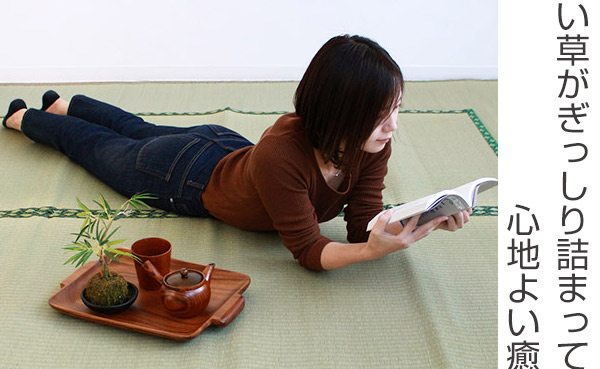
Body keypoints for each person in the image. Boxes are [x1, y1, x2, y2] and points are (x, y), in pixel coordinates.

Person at [2, 35, 469, 271]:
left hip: (229, 151)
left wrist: (422, 221)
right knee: (104, 148)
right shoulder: (282, 156)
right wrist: (368, 252)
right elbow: (308, 250)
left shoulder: (371, 144)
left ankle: (64, 104)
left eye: (396, 110)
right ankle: (23, 117)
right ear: (339, 112)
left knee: (138, 129)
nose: (393, 126)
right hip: (184, 176)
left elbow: (362, 221)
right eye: (380, 115)